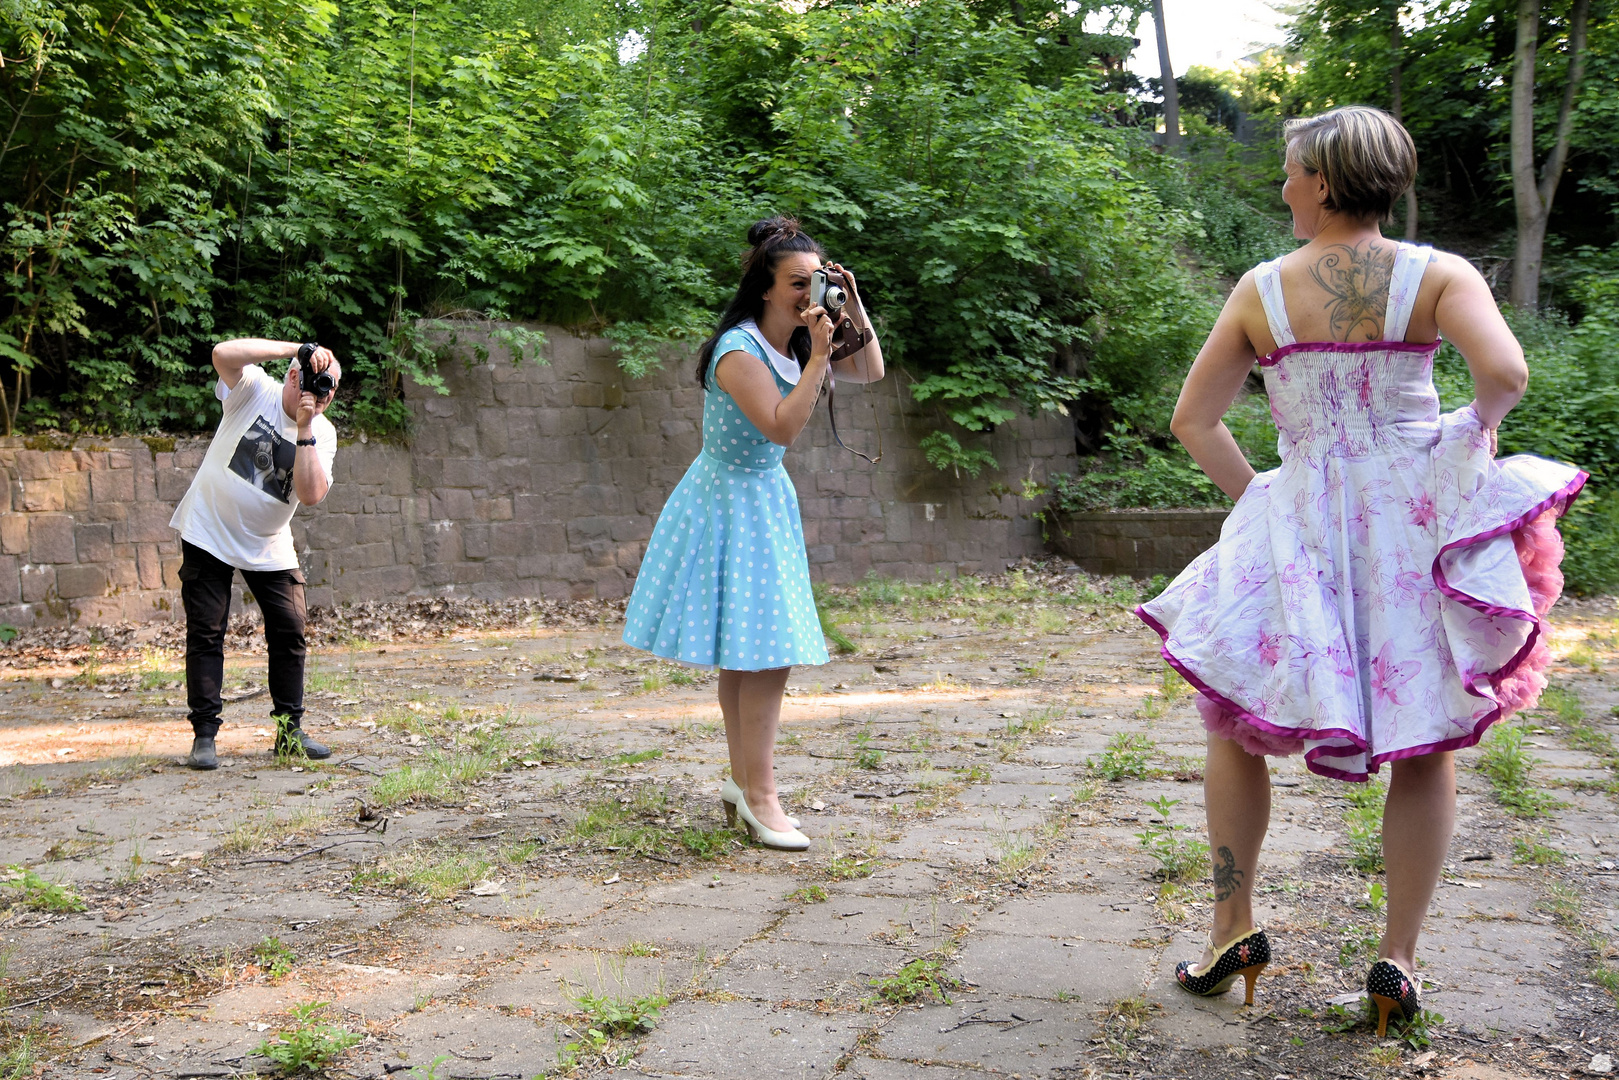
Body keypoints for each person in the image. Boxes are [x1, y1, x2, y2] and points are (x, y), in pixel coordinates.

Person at [1136, 106, 1585, 1034]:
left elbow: (1194, 420)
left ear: (1329, 180)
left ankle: (1233, 928)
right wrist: (1467, 438)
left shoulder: (1260, 290)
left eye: (1293, 171)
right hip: (1412, 525)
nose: (1284, 186)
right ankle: (1398, 960)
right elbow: (1504, 373)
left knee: (1233, 715)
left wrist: (1257, 496)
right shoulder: (1439, 274)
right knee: (1423, 737)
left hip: (1301, 521)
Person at [622, 216, 885, 850]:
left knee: (753, 650)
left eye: (818, 280)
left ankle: (745, 786)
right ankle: (760, 796)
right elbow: (781, 427)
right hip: (729, 500)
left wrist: (855, 307)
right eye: (798, 282)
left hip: (761, 498)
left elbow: (871, 371)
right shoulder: (739, 351)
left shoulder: (795, 342)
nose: (808, 293)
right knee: (763, 652)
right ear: (763, 289)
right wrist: (820, 353)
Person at [170, 338, 342, 770]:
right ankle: (204, 736)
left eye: (327, 388)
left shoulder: (323, 433)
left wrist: (305, 428)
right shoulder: (254, 390)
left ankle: (289, 732)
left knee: (290, 629)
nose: (319, 395)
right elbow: (221, 353)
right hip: (208, 528)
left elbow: (311, 494)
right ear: (292, 377)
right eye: (311, 383)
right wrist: (296, 350)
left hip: (268, 542)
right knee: (207, 631)